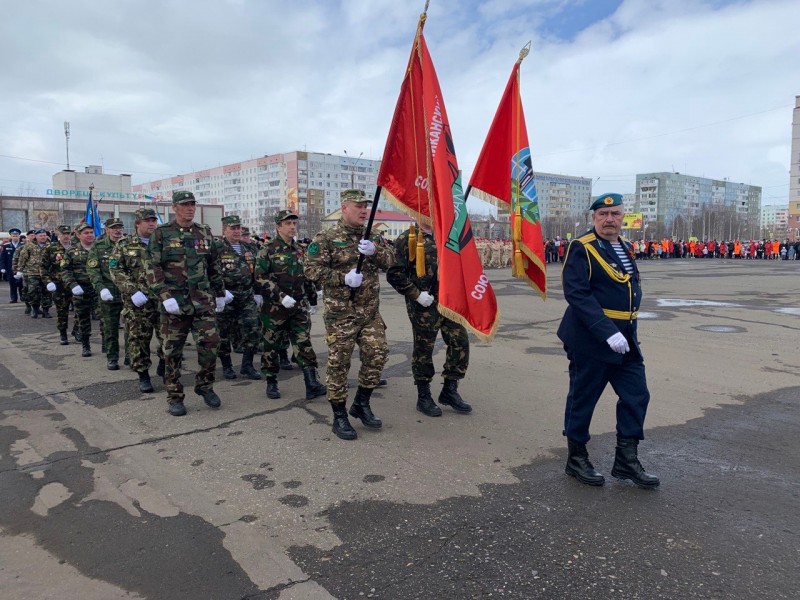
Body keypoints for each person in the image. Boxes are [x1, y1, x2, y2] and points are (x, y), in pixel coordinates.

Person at [557, 193, 659, 489]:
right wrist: (606, 330)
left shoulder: (625, 247)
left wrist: (624, 330)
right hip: (591, 338)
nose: (609, 219)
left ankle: (626, 461)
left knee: (637, 395)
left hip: (625, 339)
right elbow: (577, 293)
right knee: (583, 398)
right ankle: (576, 459)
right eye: (603, 214)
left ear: (622, 217)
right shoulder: (582, 247)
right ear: (594, 218)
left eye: (615, 213)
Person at [304, 189, 395, 440]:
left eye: (366, 206)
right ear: (344, 208)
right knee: (339, 363)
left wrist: (375, 251)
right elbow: (311, 270)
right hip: (341, 314)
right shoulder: (327, 237)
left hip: (369, 312)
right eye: (358, 206)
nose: (364, 210)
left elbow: (390, 261)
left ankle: (361, 403)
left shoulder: (373, 235)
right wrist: (341, 278)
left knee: (377, 355)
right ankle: (339, 416)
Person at [145, 190, 229, 417]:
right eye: (185, 205)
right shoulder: (162, 234)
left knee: (211, 344)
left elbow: (214, 265)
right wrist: (164, 295)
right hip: (175, 303)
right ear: (175, 208)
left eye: (192, 204)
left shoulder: (204, 232)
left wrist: (220, 293)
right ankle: (174, 396)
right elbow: (152, 268)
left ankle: (205, 386)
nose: (190, 208)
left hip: (202, 301)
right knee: (171, 352)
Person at [387, 222, 472, 417]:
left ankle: (450, 390)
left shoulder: (448, 234)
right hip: (423, 303)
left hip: (448, 300)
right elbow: (394, 273)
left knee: (460, 342)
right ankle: (423, 395)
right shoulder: (406, 239)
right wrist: (416, 294)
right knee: (424, 348)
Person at [255, 209, 326, 401]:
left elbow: (306, 276)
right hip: (274, 308)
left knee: (303, 342)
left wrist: (314, 296)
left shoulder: (299, 249)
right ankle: (271, 381)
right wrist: (280, 295)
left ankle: (311, 383)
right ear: (278, 226)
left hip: (298, 307)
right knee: (272, 345)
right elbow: (259, 278)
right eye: (288, 223)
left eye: (294, 223)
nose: (292, 227)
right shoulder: (267, 249)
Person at [110, 208, 164, 393]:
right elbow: (115, 270)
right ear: (138, 223)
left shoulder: (162, 243)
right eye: (147, 221)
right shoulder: (124, 244)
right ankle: (143, 375)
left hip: (162, 300)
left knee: (168, 338)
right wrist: (132, 291)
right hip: (138, 302)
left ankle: (164, 363)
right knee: (139, 340)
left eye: (153, 220)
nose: (152, 224)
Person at [214, 214, 262, 381]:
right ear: (224, 230)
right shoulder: (217, 248)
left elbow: (257, 271)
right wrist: (219, 292)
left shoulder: (249, 248)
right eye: (232, 228)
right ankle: (227, 366)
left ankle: (247, 365)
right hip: (226, 297)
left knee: (253, 330)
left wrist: (258, 291)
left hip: (246, 297)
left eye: (238, 228)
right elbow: (209, 272)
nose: (236, 231)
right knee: (224, 335)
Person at [88, 218, 126, 370]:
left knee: (131, 328)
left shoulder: (128, 244)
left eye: (119, 227)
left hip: (127, 292)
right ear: (107, 230)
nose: (117, 231)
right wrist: (101, 288)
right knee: (110, 328)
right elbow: (93, 270)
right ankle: (112, 357)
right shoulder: (98, 247)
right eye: (114, 228)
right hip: (108, 293)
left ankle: (130, 355)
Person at [61, 223, 97, 357]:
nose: (89, 235)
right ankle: (85, 344)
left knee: (104, 318)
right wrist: (72, 285)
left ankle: (107, 345)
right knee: (83, 318)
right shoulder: (71, 251)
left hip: (99, 289)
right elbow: (65, 270)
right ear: (79, 235)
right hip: (80, 290)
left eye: (91, 232)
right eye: (86, 233)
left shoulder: (100, 249)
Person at [43, 225, 77, 344]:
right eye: (64, 234)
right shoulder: (51, 248)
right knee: (62, 310)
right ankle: (63, 334)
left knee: (80, 309)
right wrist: (48, 282)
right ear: (58, 235)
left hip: (75, 284)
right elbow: (43, 266)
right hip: (59, 284)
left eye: (68, 234)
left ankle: (77, 330)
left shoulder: (76, 247)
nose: (66, 236)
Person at [15, 228, 54, 319]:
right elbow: (22, 258)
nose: (43, 237)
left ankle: (46, 310)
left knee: (47, 292)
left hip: (46, 273)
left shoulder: (50, 246)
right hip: (32, 272)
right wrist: (19, 270)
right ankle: (34, 309)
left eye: (44, 235)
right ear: (36, 236)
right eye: (41, 236)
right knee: (33, 292)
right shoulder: (29, 246)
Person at [1, 228, 24, 303]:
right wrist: (2, 267)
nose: (15, 237)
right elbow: (3, 258)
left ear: (19, 236)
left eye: (16, 235)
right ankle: (14, 298)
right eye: (13, 236)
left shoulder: (23, 245)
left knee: (21, 284)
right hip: (10, 268)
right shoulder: (6, 246)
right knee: (12, 284)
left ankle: (23, 297)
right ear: (11, 236)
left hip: (20, 268)